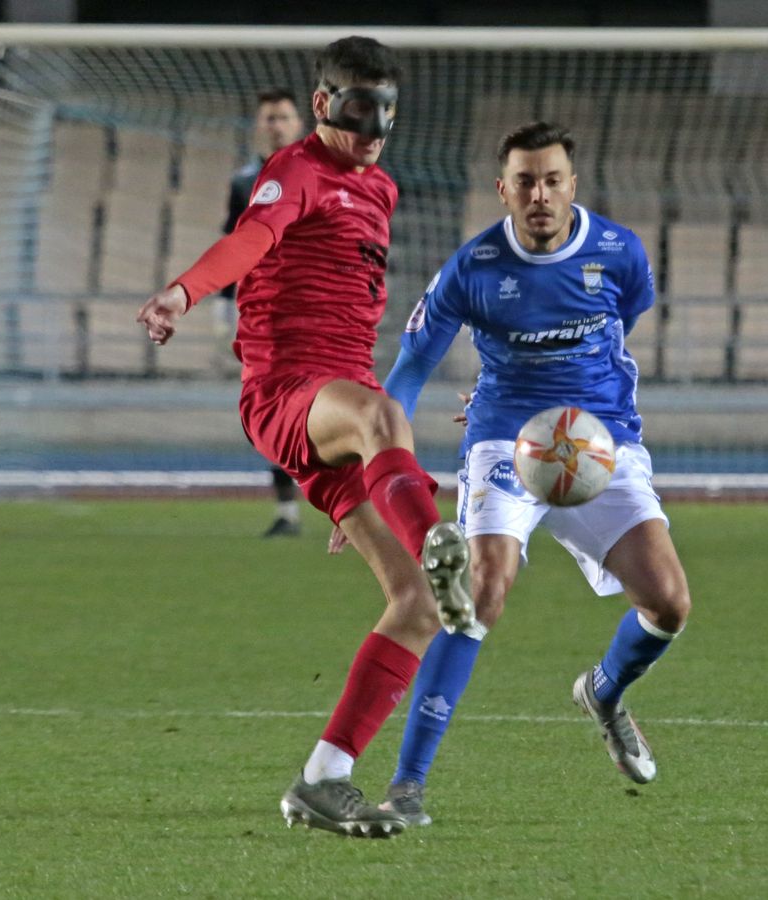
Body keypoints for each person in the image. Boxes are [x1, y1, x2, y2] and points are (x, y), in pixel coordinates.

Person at [136, 36, 474, 838]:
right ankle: (442, 542)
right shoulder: (291, 172)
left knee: (418, 607)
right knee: (384, 419)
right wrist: (185, 292)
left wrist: (365, 473)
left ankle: (324, 778)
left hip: (339, 411)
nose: (373, 129)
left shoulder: (382, 189)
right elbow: (251, 242)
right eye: (358, 110)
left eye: (386, 115)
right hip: (286, 391)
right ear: (324, 105)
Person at [372, 121, 693, 826]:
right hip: (502, 443)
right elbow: (408, 372)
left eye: (552, 179)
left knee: (669, 604)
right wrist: (378, 469)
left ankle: (604, 693)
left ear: (573, 186)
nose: (540, 194)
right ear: (503, 190)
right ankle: (407, 784)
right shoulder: (472, 267)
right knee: (481, 590)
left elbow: (620, 330)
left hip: (596, 447)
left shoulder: (618, 253)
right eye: (525, 181)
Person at [223, 88, 309, 539]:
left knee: (332, 412)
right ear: (260, 126)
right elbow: (232, 245)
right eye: (269, 118)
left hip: (322, 315)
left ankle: (351, 506)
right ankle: (287, 512)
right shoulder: (243, 184)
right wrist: (224, 306)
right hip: (268, 320)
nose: (276, 125)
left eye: (283, 117)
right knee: (274, 416)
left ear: (300, 124)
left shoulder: (322, 176)